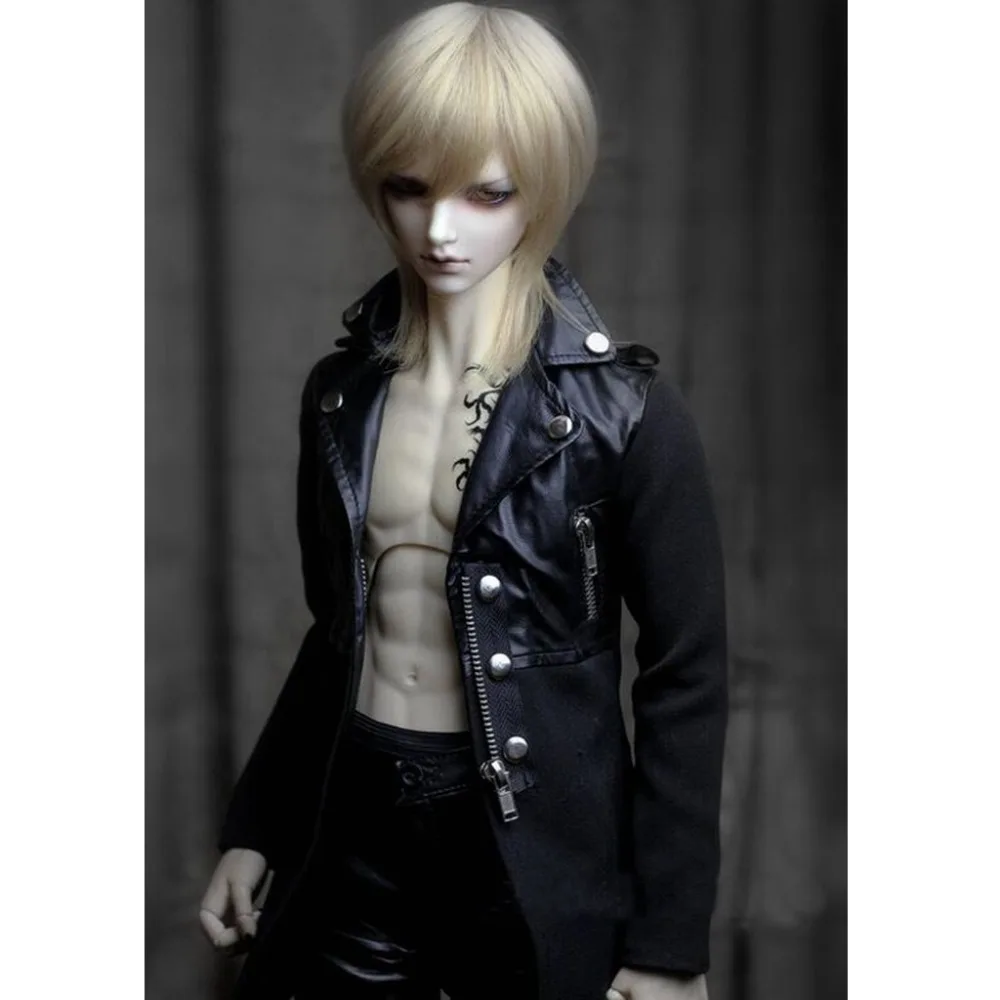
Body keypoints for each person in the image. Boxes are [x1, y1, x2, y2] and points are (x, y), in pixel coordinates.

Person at [198, 4, 728, 999]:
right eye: (409, 188)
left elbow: (685, 678)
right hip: (354, 823)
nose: (441, 230)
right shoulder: (341, 397)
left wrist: (668, 943)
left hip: (526, 849)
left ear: (545, 185)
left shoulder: (625, 416)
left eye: (487, 193)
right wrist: (259, 825)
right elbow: (336, 631)